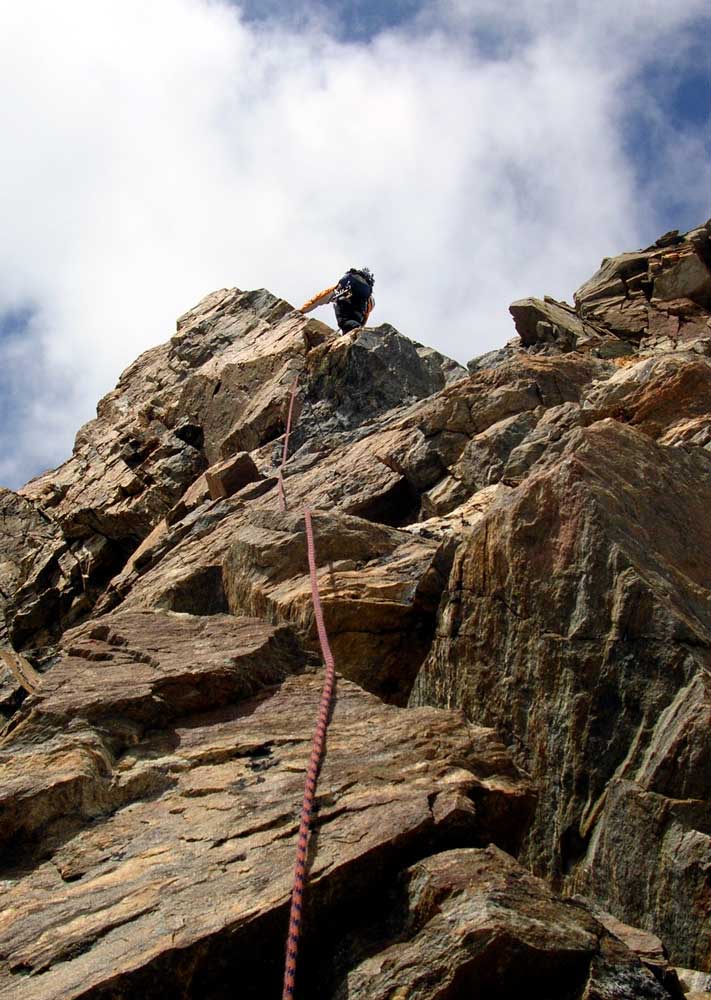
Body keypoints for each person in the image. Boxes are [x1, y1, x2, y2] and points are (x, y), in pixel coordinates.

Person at [300, 267, 375, 333]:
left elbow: (319, 298)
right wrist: (362, 327)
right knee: (350, 324)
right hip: (358, 315)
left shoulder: (343, 286)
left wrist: (302, 310)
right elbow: (366, 314)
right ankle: (356, 331)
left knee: (345, 322)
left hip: (344, 304)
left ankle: (355, 330)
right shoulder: (369, 298)